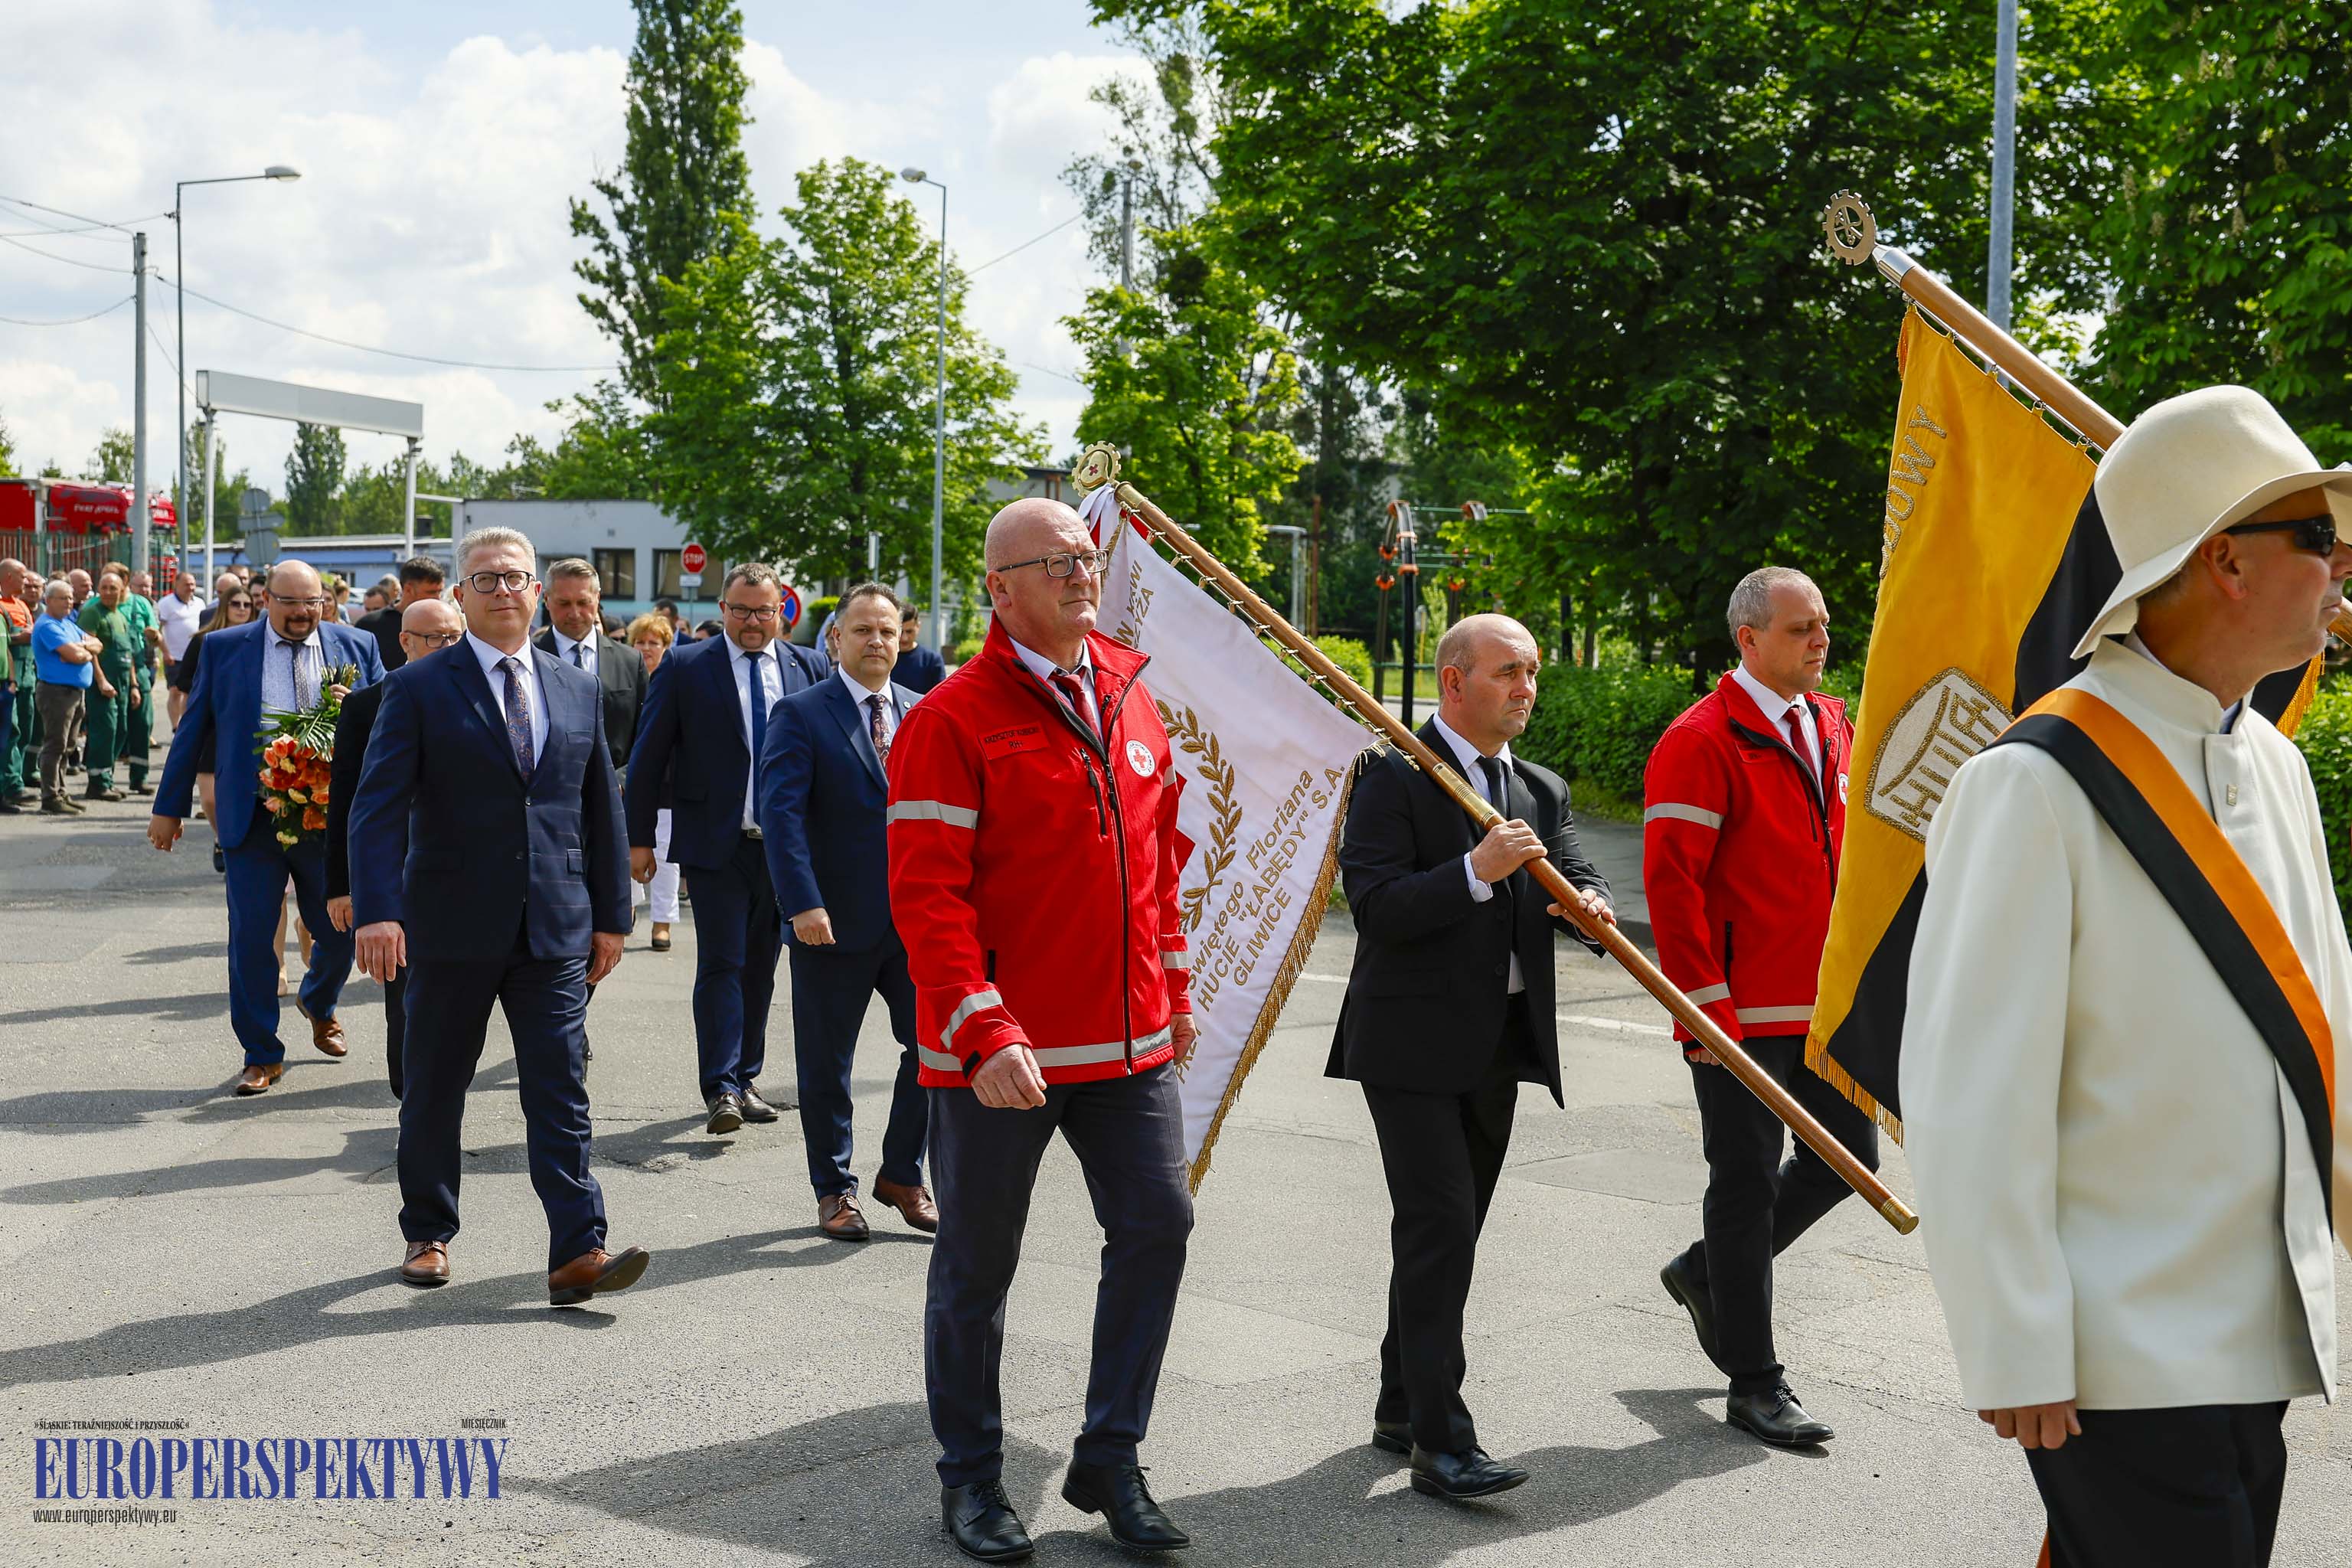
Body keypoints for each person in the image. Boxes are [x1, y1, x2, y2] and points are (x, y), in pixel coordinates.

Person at [1904, 386, 2352, 1568]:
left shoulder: (2276, 766)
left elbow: (2330, 1040)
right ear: (2226, 564)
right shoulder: (2035, 782)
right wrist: (2017, 1342)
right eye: (2318, 537)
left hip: (2263, 1337)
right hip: (2121, 1356)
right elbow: (1971, 1096)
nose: (2342, 564)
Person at [889, 497, 1198, 1561]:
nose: (1080, 573)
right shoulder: (951, 719)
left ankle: (1110, 1456)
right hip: (998, 1054)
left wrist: (1172, 985)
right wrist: (984, 1028)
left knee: (1160, 1227)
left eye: (1087, 556)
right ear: (1000, 588)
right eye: (1054, 561)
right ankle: (971, 1479)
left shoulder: (1130, 691)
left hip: (1126, 1043)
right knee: (977, 1264)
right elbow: (928, 899)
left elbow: (1157, 865)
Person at [1329, 612, 1614, 1501]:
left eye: (1531, 673)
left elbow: (1569, 865)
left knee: (1447, 1234)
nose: (1525, 688)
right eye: (1506, 673)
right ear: (1454, 681)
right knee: (1440, 1227)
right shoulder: (1394, 776)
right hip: (1409, 1044)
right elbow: (1375, 905)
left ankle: (1395, 1401)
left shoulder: (1538, 786)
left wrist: (1591, 902)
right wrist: (1474, 870)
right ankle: (1441, 1442)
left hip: (1498, 1045)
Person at [348, 525, 647, 1306]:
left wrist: (612, 915)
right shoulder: (419, 687)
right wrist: (378, 910)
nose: (504, 590)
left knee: (561, 1088)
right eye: (485, 579)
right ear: (460, 594)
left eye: (516, 577)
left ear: (537, 590)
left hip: (554, 925)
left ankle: (578, 1248)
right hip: (446, 924)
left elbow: (599, 809)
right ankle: (428, 1229)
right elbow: (375, 809)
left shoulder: (573, 685)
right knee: (436, 1087)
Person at [1643, 566, 1873, 1448]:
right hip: (1738, 1013)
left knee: (1849, 1158)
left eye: (1823, 624)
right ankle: (1755, 1379)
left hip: (1826, 1007)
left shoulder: (1832, 721)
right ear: (1748, 639)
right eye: (1800, 628)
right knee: (1742, 1183)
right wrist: (1704, 1013)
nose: (1820, 640)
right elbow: (1673, 888)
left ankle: (1708, 1276)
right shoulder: (1700, 738)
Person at [147, 559, 386, 1095]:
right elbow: (193, 730)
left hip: (329, 816)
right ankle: (261, 1052)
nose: (303, 613)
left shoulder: (357, 647)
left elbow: (394, 718)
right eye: (290, 602)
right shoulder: (224, 648)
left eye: (313, 603)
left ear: (325, 602)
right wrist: (169, 808)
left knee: (341, 930)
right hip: (253, 814)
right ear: (265, 600)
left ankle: (319, 1001)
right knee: (252, 938)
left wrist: (362, 713)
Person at [760, 582, 935, 1241]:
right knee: (826, 1064)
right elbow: (782, 817)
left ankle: (901, 1172)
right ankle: (834, 1190)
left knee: (934, 1048)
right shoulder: (801, 713)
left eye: (887, 631)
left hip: (915, 922)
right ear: (836, 639)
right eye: (862, 630)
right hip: (829, 921)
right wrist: (802, 901)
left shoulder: (923, 711)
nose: (877, 642)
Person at [626, 563, 826, 1133]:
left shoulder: (807, 666)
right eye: (740, 610)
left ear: (781, 612)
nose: (752, 621)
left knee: (762, 967)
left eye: (764, 611)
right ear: (722, 609)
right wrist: (639, 838)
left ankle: (746, 1076)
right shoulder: (687, 665)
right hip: (716, 844)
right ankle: (720, 1086)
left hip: (785, 850)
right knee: (721, 963)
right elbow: (648, 757)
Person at [325, 596, 467, 1100]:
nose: (449, 647)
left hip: (470, 872)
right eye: (436, 638)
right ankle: (412, 1096)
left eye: (456, 636)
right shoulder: (367, 706)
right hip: (399, 875)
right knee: (406, 993)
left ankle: (442, 1087)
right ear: (406, 642)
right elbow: (346, 797)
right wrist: (343, 885)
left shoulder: (483, 694)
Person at [534, 558, 648, 775]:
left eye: (583, 602)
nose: (575, 613)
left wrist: (621, 782)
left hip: (615, 797)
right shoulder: (528, 660)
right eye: (564, 603)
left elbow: (648, 736)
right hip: (549, 796)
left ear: (597, 599)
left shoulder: (631, 662)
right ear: (547, 600)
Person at [624, 612, 681, 950]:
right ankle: (627, 909)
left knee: (666, 860)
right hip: (627, 781)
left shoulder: (675, 678)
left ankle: (662, 924)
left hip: (669, 785)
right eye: (640, 642)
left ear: (666, 647)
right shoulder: (624, 677)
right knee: (624, 853)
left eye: (654, 643)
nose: (646, 648)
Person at [76, 570, 145, 803]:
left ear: (122, 590)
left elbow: (129, 654)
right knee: (104, 731)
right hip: (103, 686)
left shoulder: (120, 617)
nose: (107, 592)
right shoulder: (92, 614)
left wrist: (134, 685)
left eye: (112, 588)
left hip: (124, 685)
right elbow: (89, 649)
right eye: (104, 587)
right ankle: (97, 784)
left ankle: (107, 778)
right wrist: (101, 680)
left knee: (120, 731)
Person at [32, 581, 101, 815]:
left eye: (71, 598)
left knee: (68, 746)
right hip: (56, 693)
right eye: (64, 598)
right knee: (56, 745)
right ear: (49, 600)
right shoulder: (48, 626)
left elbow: (97, 644)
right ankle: (50, 796)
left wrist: (83, 647)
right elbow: (74, 656)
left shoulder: (68, 624)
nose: (69, 602)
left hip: (74, 692)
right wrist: (81, 651)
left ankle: (61, 792)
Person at [354, 556, 448, 673]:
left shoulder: (446, 627)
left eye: (440, 592)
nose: (438, 598)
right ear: (408, 589)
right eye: (431, 592)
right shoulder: (369, 626)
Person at [0, 560, 34, 808]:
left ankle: (17, 780)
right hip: (11, 678)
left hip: (26, 676)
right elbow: (6, 643)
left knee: (25, 729)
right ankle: (11, 785)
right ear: (9, 576)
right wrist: (20, 637)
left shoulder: (21, 604)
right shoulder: (1, 606)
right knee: (10, 732)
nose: (26, 582)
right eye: (23, 577)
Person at [158, 568, 206, 729]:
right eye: (187, 584)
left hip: (195, 656)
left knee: (189, 691)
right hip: (175, 656)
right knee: (175, 691)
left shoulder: (200, 603)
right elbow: (159, 630)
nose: (190, 588)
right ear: (176, 584)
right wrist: (165, 652)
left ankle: (186, 725)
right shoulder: (166, 603)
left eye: (192, 584)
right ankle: (175, 726)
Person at [896, 604, 948, 694]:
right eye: (900, 632)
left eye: (909, 631)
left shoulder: (932, 660)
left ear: (918, 626)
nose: (904, 638)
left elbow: (940, 696)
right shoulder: (884, 658)